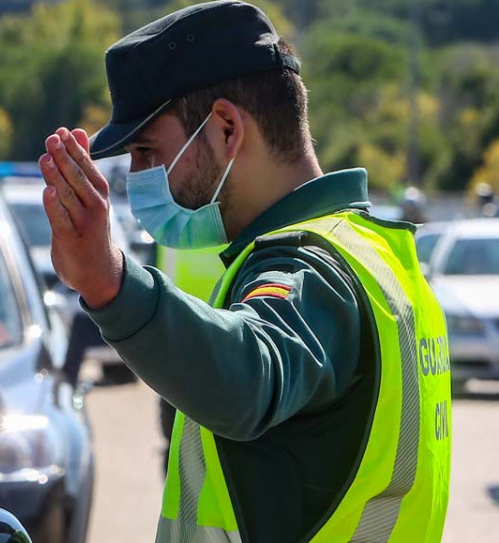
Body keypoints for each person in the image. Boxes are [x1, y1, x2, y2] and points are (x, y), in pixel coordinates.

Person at [37, 2, 451, 542]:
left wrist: (108, 282)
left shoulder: (313, 268)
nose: (136, 176)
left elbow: (251, 377)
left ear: (227, 128)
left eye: (145, 151)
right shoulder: (372, 253)